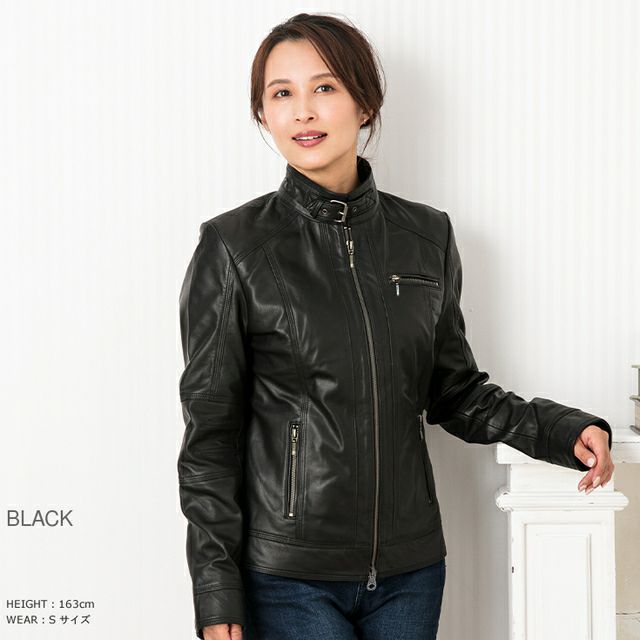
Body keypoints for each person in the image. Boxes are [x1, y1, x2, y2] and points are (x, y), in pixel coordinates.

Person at [177, 12, 614, 640]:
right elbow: (209, 440)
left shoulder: (426, 236)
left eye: (324, 87)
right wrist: (216, 590)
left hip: (412, 571)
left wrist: (560, 430)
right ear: (263, 115)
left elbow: (454, 391)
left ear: (365, 103)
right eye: (282, 94)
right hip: (288, 575)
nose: (304, 111)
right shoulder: (235, 248)